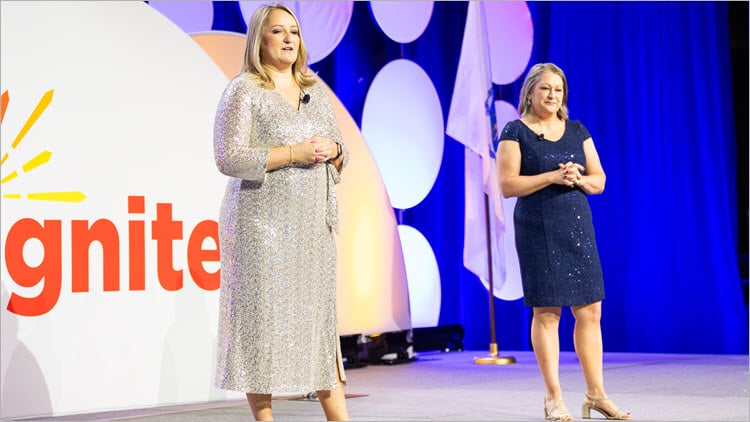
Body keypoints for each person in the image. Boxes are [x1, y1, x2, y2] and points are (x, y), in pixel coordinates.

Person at [212, 4, 349, 421]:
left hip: (312, 230)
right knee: (262, 329)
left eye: (294, 31)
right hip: (262, 227)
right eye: (278, 31)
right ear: (260, 39)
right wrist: (295, 153)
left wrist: (335, 152)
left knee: (320, 329)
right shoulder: (245, 91)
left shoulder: (316, 92)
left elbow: (342, 155)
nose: (289, 39)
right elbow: (228, 156)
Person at [497, 63, 631, 422]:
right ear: (529, 93)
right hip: (538, 228)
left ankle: (596, 395)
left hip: (576, 227)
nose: (552, 95)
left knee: (590, 311)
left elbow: (599, 180)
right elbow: (508, 185)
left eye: (558, 90)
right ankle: (554, 399)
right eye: (545, 89)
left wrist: (579, 178)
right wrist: (552, 175)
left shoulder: (577, 130)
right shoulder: (515, 131)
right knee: (547, 313)